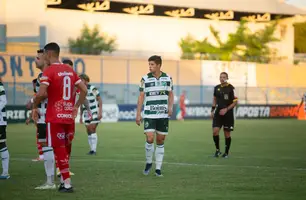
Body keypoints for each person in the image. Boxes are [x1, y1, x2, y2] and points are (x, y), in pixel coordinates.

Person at [33, 42, 87, 193]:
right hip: (69, 116)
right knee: (65, 148)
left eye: (43, 54)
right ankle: (64, 181)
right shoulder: (69, 70)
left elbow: (42, 93)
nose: (42, 57)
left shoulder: (49, 71)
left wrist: (34, 104)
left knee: (59, 149)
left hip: (55, 117)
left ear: (49, 54)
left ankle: (67, 183)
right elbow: (83, 89)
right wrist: (76, 106)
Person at [136, 55, 174, 177]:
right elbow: (141, 96)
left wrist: (170, 107)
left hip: (162, 114)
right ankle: (148, 162)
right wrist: (138, 114)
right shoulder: (144, 79)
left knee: (160, 140)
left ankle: (158, 168)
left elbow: (171, 94)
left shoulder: (168, 78)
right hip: (149, 113)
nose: (150, 67)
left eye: (152, 64)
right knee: (150, 138)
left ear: (158, 65)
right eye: (149, 64)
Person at [211, 72, 238, 158]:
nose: (222, 78)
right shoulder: (216, 88)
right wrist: (212, 110)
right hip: (218, 113)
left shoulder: (231, 88)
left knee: (227, 134)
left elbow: (235, 102)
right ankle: (217, 150)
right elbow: (214, 99)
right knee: (215, 131)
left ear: (227, 78)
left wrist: (226, 109)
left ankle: (226, 153)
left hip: (228, 113)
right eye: (220, 77)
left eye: (224, 77)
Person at [79, 74, 102, 155]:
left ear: (86, 80)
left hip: (94, 112)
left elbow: (99, 99)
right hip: (86, 113)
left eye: (81, 79)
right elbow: (82, 104)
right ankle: (91, 149)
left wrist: (100, 112)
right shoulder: (80, 90)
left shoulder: (93, 88)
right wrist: (81, 116)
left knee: (92, 129)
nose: (80, 81)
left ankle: (94, 150)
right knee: (88, 130)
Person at [26, 78, 44, 162]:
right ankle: (44, 155)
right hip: (40, 119)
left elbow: (30, 106)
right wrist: (29, 118)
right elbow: (33, 108)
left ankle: (42, 156)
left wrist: (32, 100)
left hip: (43, 119)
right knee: (41, 138)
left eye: (35, 84)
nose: (34, 86)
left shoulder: (40, 94)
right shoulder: (37, 94)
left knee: (41, 138)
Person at [0, 77, 9, 180]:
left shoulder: (0, 86)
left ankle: (5, 172)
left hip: (0, 121)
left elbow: (3, 101)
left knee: (1, 144)